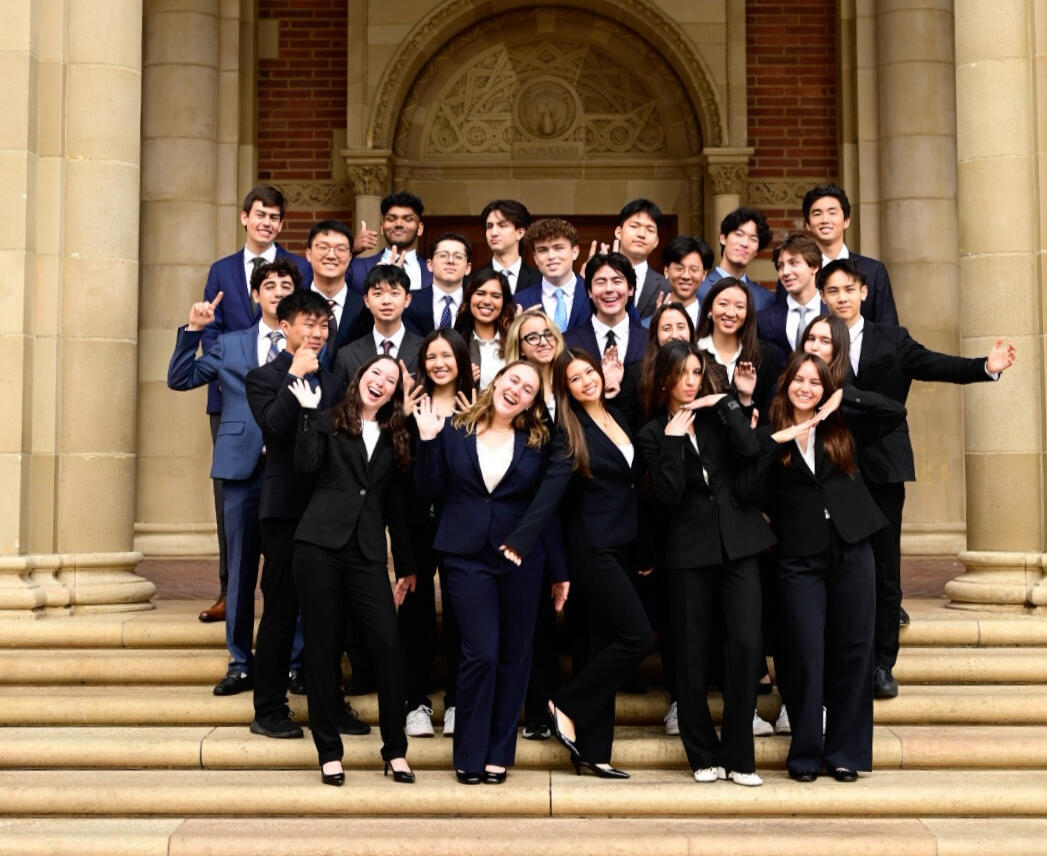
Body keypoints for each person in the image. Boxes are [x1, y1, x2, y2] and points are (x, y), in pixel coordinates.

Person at [817, 258, 1016, 700]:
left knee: (885, 566)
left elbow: (937, 365)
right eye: (833, 291)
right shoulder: (817, 342)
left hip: (883, 466)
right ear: (823, 298)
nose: (842, 298)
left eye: (849, 289)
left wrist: (986, 366)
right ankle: (840, 660)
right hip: (833, 466)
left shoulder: (892, 338)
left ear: (864, 292)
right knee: (837, 563)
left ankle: (881, 664)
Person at [752, 351, 907, 782]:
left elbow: (895, 412)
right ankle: (804, 754)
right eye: (799, 380)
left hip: (852, 547)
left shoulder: (843, 426)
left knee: (854, 651)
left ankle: (845, 754)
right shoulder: (770, 434)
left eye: (815, 382)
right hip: (798, 557)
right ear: (786, 385)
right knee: (805, 652)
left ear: (825, 389)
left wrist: (847, 396)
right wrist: (776, 441)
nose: (806, 388)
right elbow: (747, 485)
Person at [414, 361, 570, 784]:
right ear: (496, 380)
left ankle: (499, 753)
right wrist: (427, 442)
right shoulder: (454, 429)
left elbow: (547, 508)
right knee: (480, 653)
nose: (517, 389)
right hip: (465, 555)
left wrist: (559, 570)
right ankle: (469, 753)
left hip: (521, 558)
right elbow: (429, 490)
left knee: (515, 655)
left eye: (528, 389)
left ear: (532, 402)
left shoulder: (539, 440)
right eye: (513, 379)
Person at [636, 341, 774, 786]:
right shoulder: (652, 434)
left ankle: (740, 756)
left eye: (696, 372)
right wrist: (674, 442)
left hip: (739, 543)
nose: (691, 381)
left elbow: (750, 452)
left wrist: (729, 402)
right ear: (664, 379)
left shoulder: (718, 417)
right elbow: (668, 495)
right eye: (682, 373)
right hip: (687, 551)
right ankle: (701, 753)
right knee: (690, 652)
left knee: (746, 643)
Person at [168, 258, 296, 694]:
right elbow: (180, 378)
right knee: (240, 569)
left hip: (291, 471)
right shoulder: (229, 344)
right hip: (241, 468)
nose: (278, 292)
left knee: (290, 568)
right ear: (256, 296)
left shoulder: (309, 344)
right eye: (270, 286)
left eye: (286, 285)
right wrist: (194, 331)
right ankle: (241, 660)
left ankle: (293, 661)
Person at [246, 290, 370, 738]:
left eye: (323, 325)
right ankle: (269, 709)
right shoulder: (262, 377)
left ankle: (330, 705)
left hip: (326, 509)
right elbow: (274, 427)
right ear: (285, 327)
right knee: (282, 609)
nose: (317, 333)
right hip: (284, 510)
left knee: (329, 611)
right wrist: (293, 376)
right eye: (308, 324)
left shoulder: (335, 384)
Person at [289, 356, 418, 786]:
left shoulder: (396, 434)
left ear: (395, 393)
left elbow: (396, 505)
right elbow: (305, 465)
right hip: (318, 547)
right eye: (375, 373)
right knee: (323, 649)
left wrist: (406, 564)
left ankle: (395, 750)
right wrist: (308, 416)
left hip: (366, 553)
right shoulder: (328, 420)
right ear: (360, 378)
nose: (380, 382)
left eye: (390, 380)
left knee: (388, 645)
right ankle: (329, 752)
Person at [198, 186, 312, 623]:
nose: (266, 222)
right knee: (232, 499)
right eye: (260, 214)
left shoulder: (298, 268)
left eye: (274, 217)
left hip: (290, 397)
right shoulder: (222, 270)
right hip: (233, 400)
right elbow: (211, 330)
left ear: (282, 224)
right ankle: (230, 590)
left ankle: (289, 596)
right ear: (245, 217)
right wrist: (232, 370)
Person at [545, 349, 653, 778]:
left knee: (598, 645)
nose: (586, 381)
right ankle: (565, 705)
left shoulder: (616, 414)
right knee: (637, 636)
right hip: (591, 548)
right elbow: (552, 502)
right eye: (575, 378)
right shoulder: (567, 431)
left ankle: (593, 751)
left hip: (623, 545)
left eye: (589, 371)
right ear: (565, 389)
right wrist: (554, 566)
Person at [400, 328, 474, 739]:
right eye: (431, 357)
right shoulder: (411, 407)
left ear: (461, 360)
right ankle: (415, 702)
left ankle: (459, 701)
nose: (439, 363)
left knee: (462, 613)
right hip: (418, 524)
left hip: (463, 524)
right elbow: (401, 476)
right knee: (416, 612)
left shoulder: (477, 406)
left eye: (447, 355)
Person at [802, 185, 898, 325]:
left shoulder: (874, 271)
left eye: (832, 213)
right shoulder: (796, 273)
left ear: (846, 221)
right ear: (807, 224)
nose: (825, 219)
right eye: (817, 214)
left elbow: (888, 329)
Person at [695, 277, 781, 420]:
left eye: (739, 307)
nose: (730, 313)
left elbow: (771, 412)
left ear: (748, 313)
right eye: (723, 304)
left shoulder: (765, 355)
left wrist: (747, 400)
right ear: (710, 309)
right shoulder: (692, 352)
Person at [613, 301, 695, 431]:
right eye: (666, 328)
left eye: (681, 327)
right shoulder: (637, 375)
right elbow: (624, 427)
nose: (675, 335)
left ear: (690, 331)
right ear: (655, 335)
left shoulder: (711, 370)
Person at [335, 264, 423, 383]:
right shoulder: (346, 355)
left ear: (407, 300)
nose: (386, 301)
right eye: (378, 294)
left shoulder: (425, 349)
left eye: (394, 293)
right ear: (366, 301)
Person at [564, 253, 648, 370]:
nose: (609, 289)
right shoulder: (567, 342)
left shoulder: (650, 340)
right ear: (589, 291)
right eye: (601, 282)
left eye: (617, 281)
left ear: (631, 289)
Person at [303, 220, 368, 371]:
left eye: (340, 249)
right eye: (323, 247)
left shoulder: (365, 307)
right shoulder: (293, 306)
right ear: (308, 254)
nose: (331, 255)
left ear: (350, 256)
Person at [515, 218, 590, 333]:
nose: (551, 256)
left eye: (558, 248)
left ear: (575, 252)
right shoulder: (519, 301)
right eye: (543, 250)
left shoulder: (596, 294)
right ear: (535, 257)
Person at [757, 233, 826, 357]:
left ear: (814, 266)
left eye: (793, 263)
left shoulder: (836, 315)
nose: (785, 272)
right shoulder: (762, 321)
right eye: (780, 266)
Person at [348, 191, 432, 293]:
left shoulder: (433, 272)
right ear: (382, 227)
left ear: (420, 228)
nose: (399, 224)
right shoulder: (357, 267)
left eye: (408, 219)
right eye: (391, 219)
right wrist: (351, 249)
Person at [696, 208, 774, 311]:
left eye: (753, 239)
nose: (745, 243)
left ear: (757, 251)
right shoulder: (698, 289)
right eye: (738, 234)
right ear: (723, 238)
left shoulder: (766, 299)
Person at [453, 268, 513, 389]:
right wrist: (460, 381)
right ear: (469, 298)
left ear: (504, 302)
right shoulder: (454, 344)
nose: (487, 301)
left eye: (495, 296)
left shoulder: (515, 342)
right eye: (480, 293)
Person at [404, 233, 473, 336]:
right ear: (430, 264)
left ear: (468, 268)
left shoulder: (475, 303)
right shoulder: (409, 301)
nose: (450, 261)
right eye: (443, 255)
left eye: (458, 257)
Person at [613, 199, 670, 321]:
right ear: (618, 232)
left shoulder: (666, 287)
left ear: (656, 241)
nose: (641, 234)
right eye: (634, 226)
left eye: (650, 230)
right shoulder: (596, 277)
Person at [503, 308, 566, 417]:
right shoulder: (511, 390)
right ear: (520, 349)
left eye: (549, 334)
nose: (544, 342)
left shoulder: (568, 382)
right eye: (532, 338)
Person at [482, 199, 541, 293]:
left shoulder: (540, 279)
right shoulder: (473, 279)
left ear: (520, 233)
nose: (493, 233)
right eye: (489, 226)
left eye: (502, 225)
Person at [663, 235, 714, 329]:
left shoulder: (714, 324)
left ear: (704, 275)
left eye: (694, 270)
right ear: (666, 271)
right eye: (679, 268)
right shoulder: (646, 326)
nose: (686, 276)